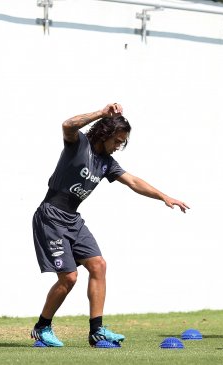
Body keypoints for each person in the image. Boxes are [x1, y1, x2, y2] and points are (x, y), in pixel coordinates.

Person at [30, 103, 189, 347]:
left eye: (122, 142)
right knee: (69, 278)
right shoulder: (78, 144)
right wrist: (101, 113)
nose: (118, 146)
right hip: (51, 216)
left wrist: (164, 196)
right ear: (105, 134)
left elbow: (134, 181)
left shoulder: (107, 163)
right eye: (117, 140)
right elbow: (67, 125)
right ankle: (42, 327)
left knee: (98, 265)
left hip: (73, 219)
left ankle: (97, 331)